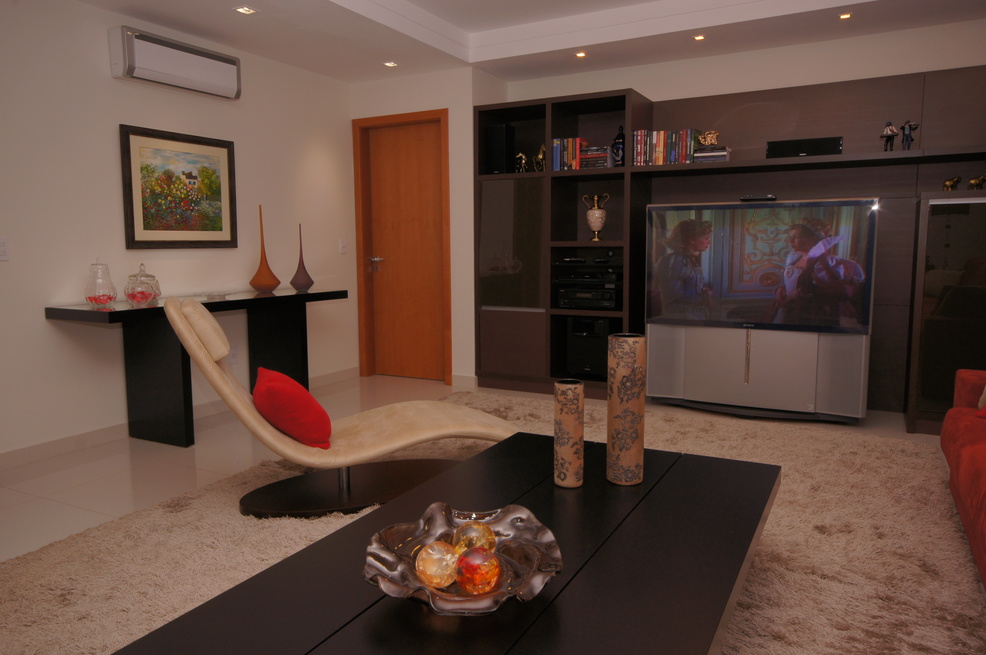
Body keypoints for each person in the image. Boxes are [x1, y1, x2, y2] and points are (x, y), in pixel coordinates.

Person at [769, 223, 865, 327]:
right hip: (789, 309)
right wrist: (781, 288)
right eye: (790, 237)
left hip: (810, 314)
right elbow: (791, 281)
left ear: (813, 238)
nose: (791, 241)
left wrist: (798, 294)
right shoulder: (794, 258)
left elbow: (830, 290)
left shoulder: (825, 263)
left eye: (797, 237)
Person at [655, 219, 713, 319]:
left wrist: (704, 291)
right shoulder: (677, 261)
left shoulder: (689, 259)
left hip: (693, 317)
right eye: (706, 238)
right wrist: (703, 296)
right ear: (692, 239)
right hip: (681, 319)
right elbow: (673, 299)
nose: (709, 242)